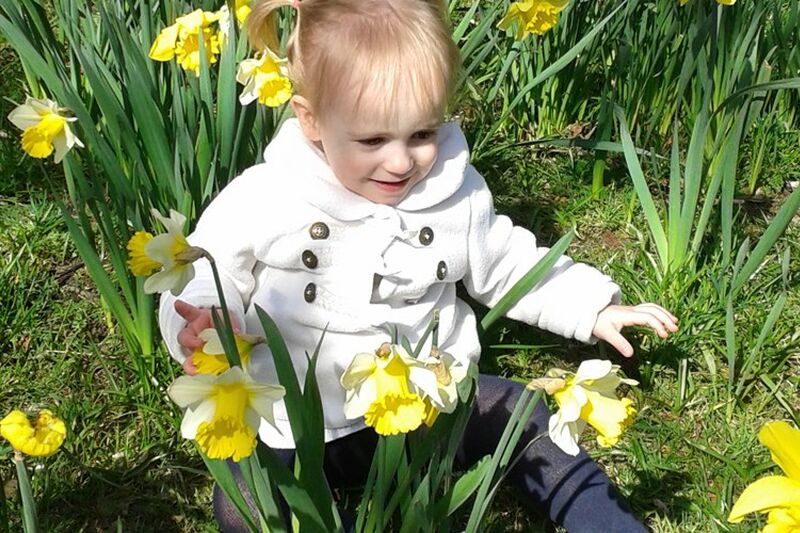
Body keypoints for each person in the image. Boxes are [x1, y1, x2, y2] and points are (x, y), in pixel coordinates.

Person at [158, 0, 678, 530]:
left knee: (522, 415)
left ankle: (611, 524)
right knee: (246, 499)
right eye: (373, 140)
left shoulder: (453, 192)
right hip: (297, 419)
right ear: (309, 119)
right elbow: (208, 264)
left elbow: (508, 263)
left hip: (431, 406)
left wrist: (591, 307)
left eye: (422, 134)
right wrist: (205, 318)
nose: (401, 161)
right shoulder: (270, 193)